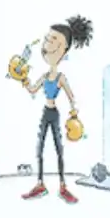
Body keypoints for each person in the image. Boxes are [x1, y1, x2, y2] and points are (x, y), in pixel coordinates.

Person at [22, 15, 92, 204]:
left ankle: (63, 187)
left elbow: (71, 97)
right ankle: (40, 184)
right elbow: (32, 89)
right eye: (47, 38)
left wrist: (74, 112)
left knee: (59, 148)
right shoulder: (45, 76)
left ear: (64, 50)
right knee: (40, 147)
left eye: (53, 40)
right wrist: (23, 78)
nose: (47, 43)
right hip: (46, 112)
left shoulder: (60, 77)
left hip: (55, 114)